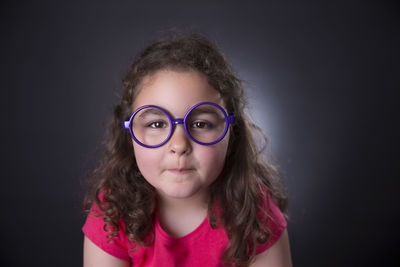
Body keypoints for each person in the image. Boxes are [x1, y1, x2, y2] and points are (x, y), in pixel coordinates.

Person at [82, 33, 292, 267]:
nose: (179, 145)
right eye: (157, 124)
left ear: (231, 134)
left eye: (201, 124)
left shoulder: (255, 213)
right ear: (130, 134)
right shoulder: (113, 212)